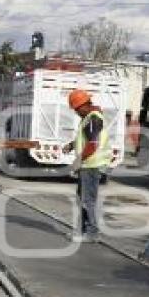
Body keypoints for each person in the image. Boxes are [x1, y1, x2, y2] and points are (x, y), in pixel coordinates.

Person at [63, 89, 110, 242]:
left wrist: (79, 160)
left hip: (92, 165)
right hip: (88, 164)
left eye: (76, 109)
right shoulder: (88, 118)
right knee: (82, 198)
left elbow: (92, 144)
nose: (76, 112)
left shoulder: (93, 119)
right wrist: (71, 145)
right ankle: (83, 231)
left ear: (84, 105)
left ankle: (92, 233)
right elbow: (85, 139)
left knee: (88, 200)